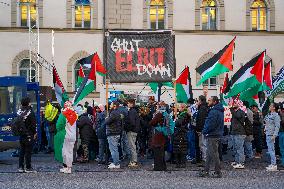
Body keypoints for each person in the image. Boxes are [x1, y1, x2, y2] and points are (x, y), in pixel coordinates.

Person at [199, 96, 224, 178]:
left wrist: (204, 131)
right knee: (209, 154)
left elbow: (210, 124)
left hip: (212, 135)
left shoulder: (214, 111)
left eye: (209, 100)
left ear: (215, 102)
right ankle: (206, 171)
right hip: (215, 134)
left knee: (214, 154)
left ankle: (218, 172)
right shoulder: (218, 110)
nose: (208, 102)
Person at [54, 101, 78, 174]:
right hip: (73, 135)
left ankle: (67, 168)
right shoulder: (74, 114)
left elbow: (58, 125)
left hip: (65, 135)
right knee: (70, 152)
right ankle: (68, 167)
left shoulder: (64, 114)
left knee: (65, 152)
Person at [18, 97, 37, 173]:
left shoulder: (19, 111)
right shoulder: (30, 112)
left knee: (22, 151)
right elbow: (33, 124)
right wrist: (35, 133)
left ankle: (21, 167)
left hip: (21, 134)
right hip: (29, 134)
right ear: (28, 103)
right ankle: (28, 167)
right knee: (28, 151)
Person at [105, 101, 123, 169]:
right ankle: (115, 162)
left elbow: (107, 122)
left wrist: (106, 118)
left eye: (111, 104)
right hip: (116, 132)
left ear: (114, 105)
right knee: (114, 149)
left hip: (112, 133)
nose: (110, 105)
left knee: (113, 149)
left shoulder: (114, 113)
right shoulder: (117, 112)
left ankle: (116, 163)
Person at [264, 103, 281, 171]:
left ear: (274, 108)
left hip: (271, 134)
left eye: (271, 106)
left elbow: (277, 126)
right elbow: (266, 122)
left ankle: (274, 165)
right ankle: (272, 163)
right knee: (270, 149)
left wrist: (275, 135)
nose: (269, 106)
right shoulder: (269, 114)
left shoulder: (276, 116)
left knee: (271, 150)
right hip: (268, 133)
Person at [230, 99, 246, 169]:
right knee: (235, 148)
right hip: (234, 132)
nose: (234, 104)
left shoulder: (241, 112)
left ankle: (241, 163)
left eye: (235, 103)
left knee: (239, 149)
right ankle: (237, 161)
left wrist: (231, 109)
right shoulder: (235, 112)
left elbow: (238, 116)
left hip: (239, 132)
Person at [125, 99, 141, 168]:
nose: (127, 104)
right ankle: (133, 160)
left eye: (128, 103)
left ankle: (134, 161)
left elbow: (132, 123)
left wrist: (127, 128)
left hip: (132, 131)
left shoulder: (132, 111)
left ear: (131, 104)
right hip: (134, 130)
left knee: (132, 146)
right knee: (133, 146)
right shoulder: (134, 111)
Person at [173, 103, 190, 168]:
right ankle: (180, 163)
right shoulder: (183, 114)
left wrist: (176, 121)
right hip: (181, 132)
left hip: (180, 133)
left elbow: (178, 123)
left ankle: (181, 163)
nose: (178, 108)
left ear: (183, 108)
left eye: (179, 107)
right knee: (181, 147)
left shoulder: (183, 115)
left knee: (180, 148)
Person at [195, 95, 209, 163]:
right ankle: (205, 158)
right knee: (203, 144)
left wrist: (198, 129)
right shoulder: (204, 107)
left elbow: (201, 120)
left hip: (202, 129)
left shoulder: (202, 109)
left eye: (198, 100)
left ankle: (205, 159)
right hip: (204, 128)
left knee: (203, 144)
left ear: (200, 100)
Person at [279, 104, 284, 168]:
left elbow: (282, 122)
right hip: (281, 132)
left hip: (282, 132)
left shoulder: (282, 114)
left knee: (282, 149)